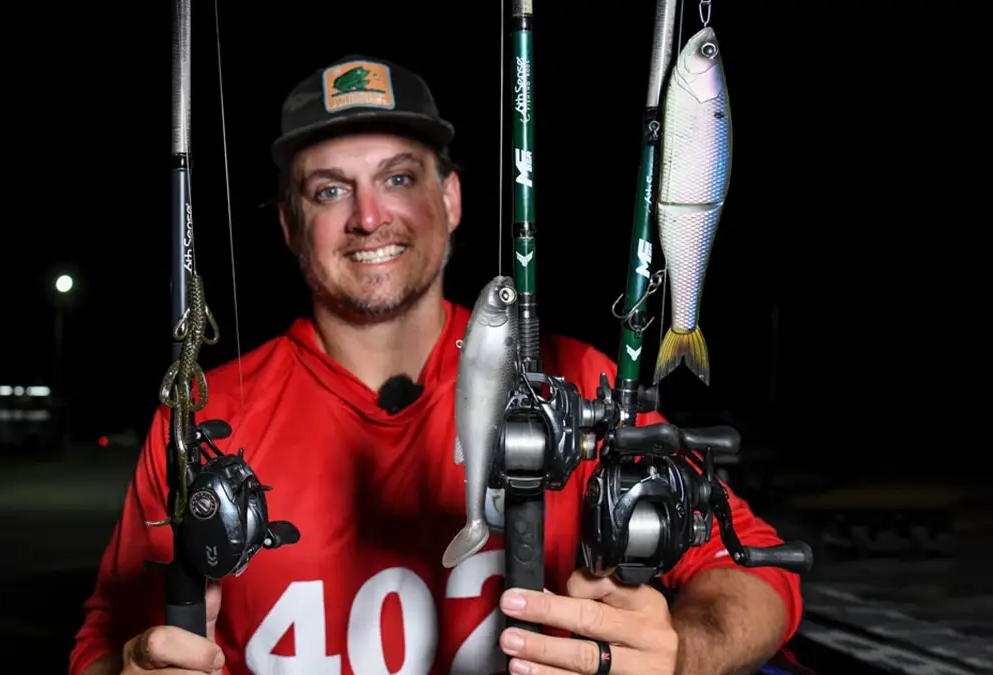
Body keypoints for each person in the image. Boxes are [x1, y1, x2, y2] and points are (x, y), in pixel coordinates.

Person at [70, 54, 803, 675]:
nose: (367, 216)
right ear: (291, 224)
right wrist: (135, 664)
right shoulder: (205, 413)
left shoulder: (570, 376)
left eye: (397, 177)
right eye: (329, 189)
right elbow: (108, 633)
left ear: (451, 199)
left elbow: (758, 567)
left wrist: (681, 651)